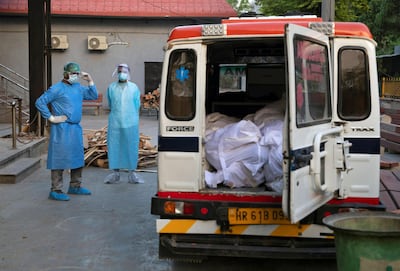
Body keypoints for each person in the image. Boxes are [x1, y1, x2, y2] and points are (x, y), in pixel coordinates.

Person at [35, 62, 98, 201]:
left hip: (75, 128)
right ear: (65, 74)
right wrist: (51, 117)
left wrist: (90, 81)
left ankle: (75, 185)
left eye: (77, 74)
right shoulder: (56, 89)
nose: (75, 76)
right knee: (59, 158)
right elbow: (40, 102)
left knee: (77, 157)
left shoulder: (78, 88)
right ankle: (55, 189)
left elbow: (93, 95)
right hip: (61, 128)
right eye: (72, 73)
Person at [104, 63, 143, 184]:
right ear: (117, 72)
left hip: (131, 122)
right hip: (115, 121)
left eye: (125, 71)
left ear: (128, 73)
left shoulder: (134, 88)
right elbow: (111, 104)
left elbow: (137, 105)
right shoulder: (111, 88)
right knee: (114, 146)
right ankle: (115, 173)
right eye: (120, 71)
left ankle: (132, 173)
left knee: (131, 145)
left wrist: (130, 115)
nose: (122, 73)